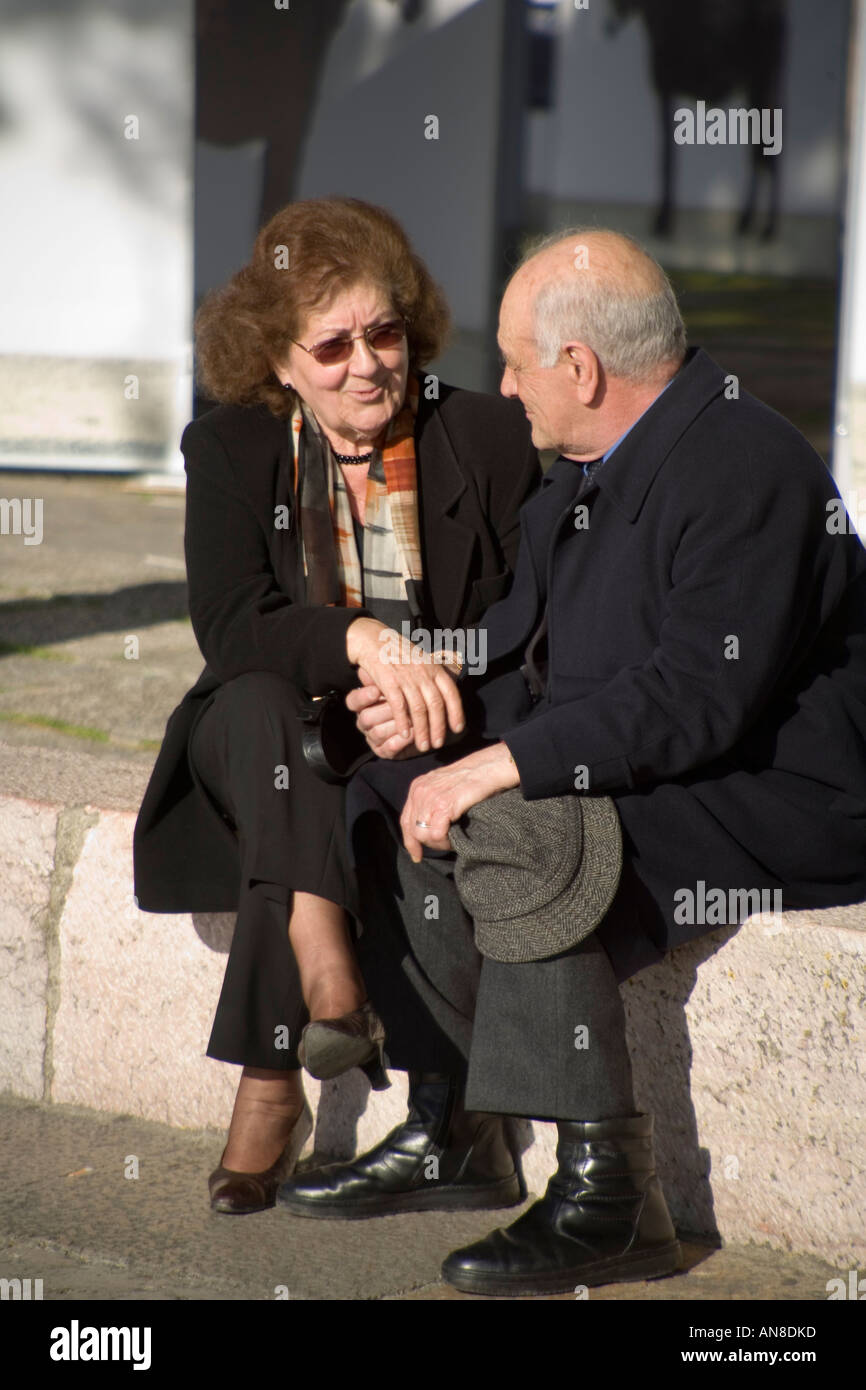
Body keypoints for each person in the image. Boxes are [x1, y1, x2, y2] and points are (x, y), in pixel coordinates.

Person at [276, 227, 866, 1296]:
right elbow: (523, 650)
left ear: (579, 369)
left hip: (775, 792)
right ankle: (457, 1123)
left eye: (512, 363)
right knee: (391, 793)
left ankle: (610, 1195)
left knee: (521, 827)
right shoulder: (587, 471)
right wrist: (429, 714)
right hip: (661, 764)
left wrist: (501, 767)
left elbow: (695, 698)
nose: (502, 389)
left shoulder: (744, 465)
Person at [132, 197, 540, 1215]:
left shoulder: (481, 435)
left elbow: (528, 621)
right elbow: (231, 625)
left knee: (306, 782)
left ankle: (276, 1075)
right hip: (263, 723)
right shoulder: (233, 448)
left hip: (409, 736)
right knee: (270, 714)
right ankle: (324, 976)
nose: (367, 364)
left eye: (384, 332)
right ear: (277, 361)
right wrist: (359, 637)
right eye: (331, 345)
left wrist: (438, 690)